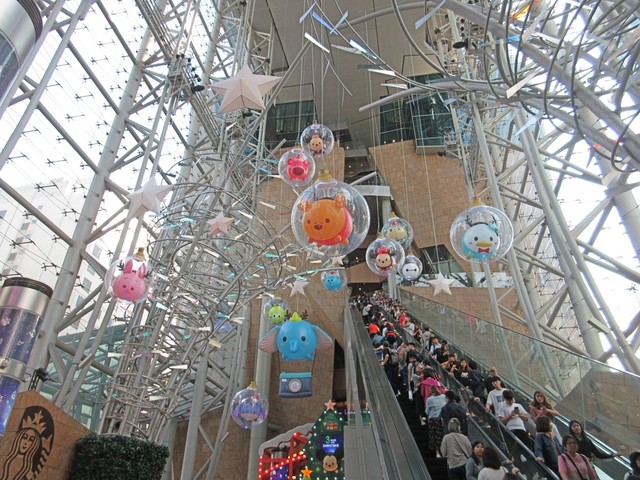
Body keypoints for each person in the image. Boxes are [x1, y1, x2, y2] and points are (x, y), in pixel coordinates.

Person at [426, 386, 446, 455]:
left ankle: (437, 452)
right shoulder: (443, 397)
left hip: (433, 419)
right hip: (442, 418)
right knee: (442, 434)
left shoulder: (429, 399)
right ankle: (444, 451)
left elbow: (427, 411)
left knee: (434, 435)